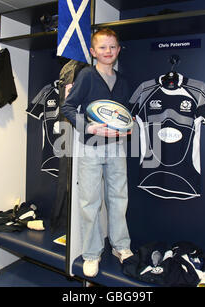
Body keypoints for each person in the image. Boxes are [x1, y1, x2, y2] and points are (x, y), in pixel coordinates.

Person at [61, 28, 133, 277]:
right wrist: (88, 126)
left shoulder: (123, 81)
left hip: (116, 148)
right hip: (91, 147)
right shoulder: (87, 75)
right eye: (102, 47)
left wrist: (126, 130)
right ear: (93, 52)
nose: (108, 51)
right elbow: (67, 107)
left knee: (118, 199)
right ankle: (91, 254)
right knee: (90, 201)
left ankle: (121, 246)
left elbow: (124, 115)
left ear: (118, 49)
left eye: (112, 47)